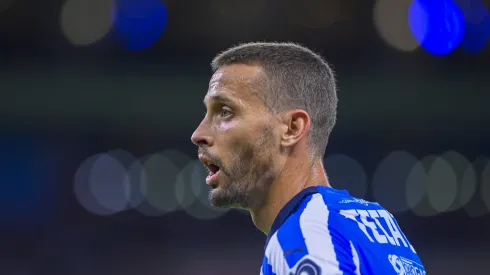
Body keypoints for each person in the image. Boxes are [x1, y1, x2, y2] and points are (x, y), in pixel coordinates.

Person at [191, 42, 426, 275]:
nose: (198, 134)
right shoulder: (376, 222)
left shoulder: (304, 235)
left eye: (225, 112)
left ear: (292, 128)